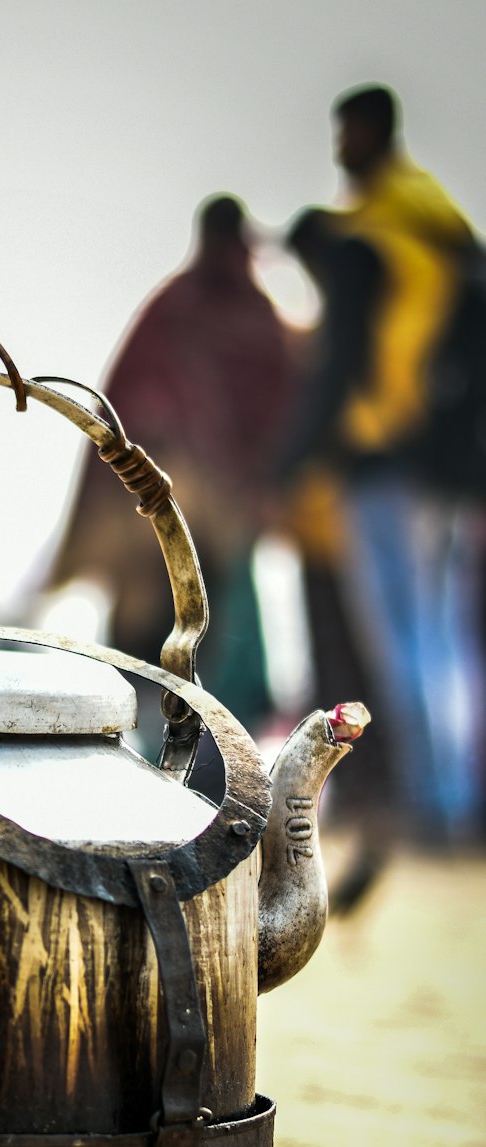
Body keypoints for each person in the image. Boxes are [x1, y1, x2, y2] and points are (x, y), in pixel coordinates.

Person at [278, 85, 484, 844]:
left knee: (404, 645)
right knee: (445, 639)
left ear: (369, 132)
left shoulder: (366, 238)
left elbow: (339, 371)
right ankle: (457, 799)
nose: (337, 148)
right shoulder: (440, 226)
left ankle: (435, 807)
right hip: (448, 467)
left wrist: (290, 464)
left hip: (380, 463)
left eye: (344, 134)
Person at [45, 195, 294, 749]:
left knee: (207, 637)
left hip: (202, 516)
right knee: (160, 630)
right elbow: (126, 407)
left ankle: (203, 762)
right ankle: (146, 755)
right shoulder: (214, 312)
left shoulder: (191, 309)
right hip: (160, 512)